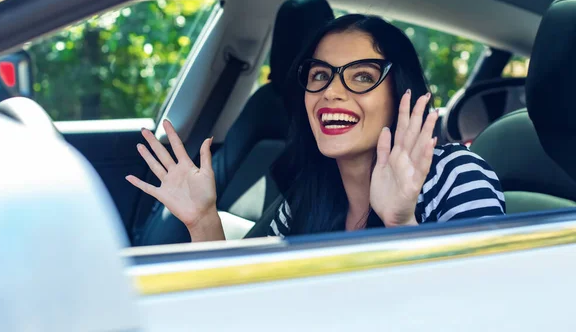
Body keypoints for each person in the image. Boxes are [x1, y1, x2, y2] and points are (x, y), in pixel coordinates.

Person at [126, 14, 506, 242]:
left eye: (361, 76)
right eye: (320, 75)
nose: (331, 92)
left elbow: (486, 304)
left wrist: (400, 223)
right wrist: (203, 219)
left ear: (399, 91)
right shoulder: (310, 193)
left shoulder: (457, 175)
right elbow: (252, 303)